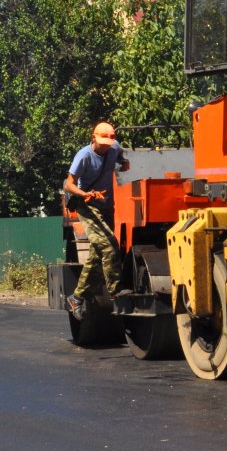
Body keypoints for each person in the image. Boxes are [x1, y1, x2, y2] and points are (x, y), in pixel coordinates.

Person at [63, 122, 131, 319]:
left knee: (96, 254)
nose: (105, 146)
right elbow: (69, 184)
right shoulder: (84, 155)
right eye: (102, 142)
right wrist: (84, 194)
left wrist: (124, 163)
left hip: (106, 206)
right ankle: (116, 291)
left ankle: (76, 297)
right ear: (93, 138)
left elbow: (120, 155)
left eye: (108, 142)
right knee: (109, 246)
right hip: (87, 206)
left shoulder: (114, 146)